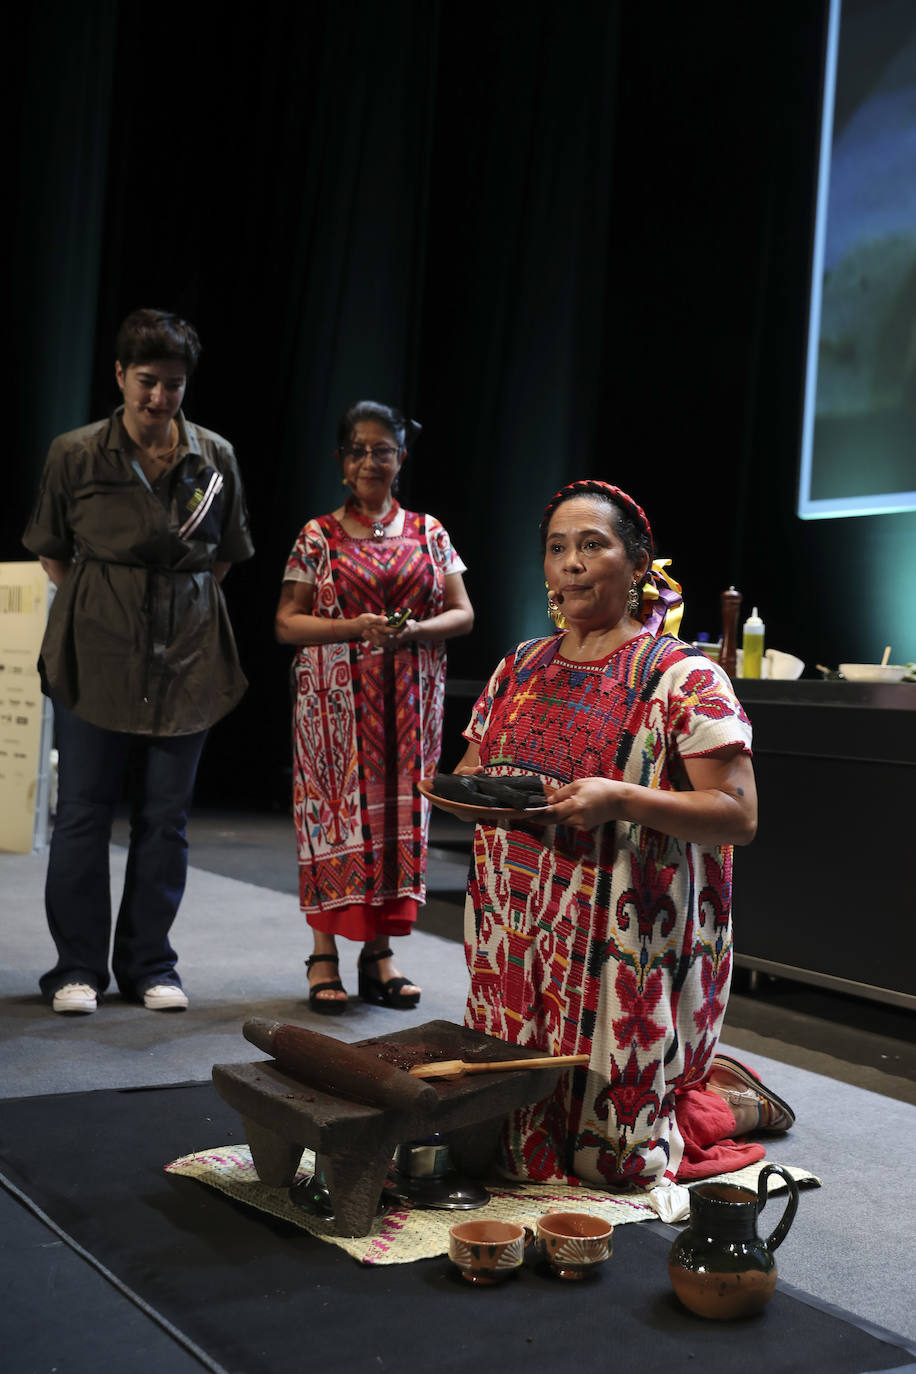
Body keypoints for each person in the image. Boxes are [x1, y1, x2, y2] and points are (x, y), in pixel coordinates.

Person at [454, 479, 794, 1189]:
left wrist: (625, 800)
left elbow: (740, 814)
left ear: (638, 565)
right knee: (500, 1143)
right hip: (514, 937)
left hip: (625, 947)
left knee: (611, 1161)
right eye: (556, 548)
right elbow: (469, 773)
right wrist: (470, 800)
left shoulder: (683, 677)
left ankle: (730, 1105)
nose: (570, 563)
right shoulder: (518, 667)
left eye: (591, 545)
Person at [23, 309, 254, 1015]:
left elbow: (221, 560)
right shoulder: (75, 453)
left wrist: (171, 607)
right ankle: (77, 969)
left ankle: (152, 965)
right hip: (96, 653)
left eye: (174, 386)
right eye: (147, 382)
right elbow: (53, 551)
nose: (159, 399)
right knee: (85, 812)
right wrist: (112, 606)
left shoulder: (214, 456)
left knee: (166, 816)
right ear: (120, 376)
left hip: (187, 657)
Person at [275, 401, 473, 1013]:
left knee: (399, 824)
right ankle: (324, 955)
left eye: (381, 449)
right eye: (357, 450)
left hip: (410, 705)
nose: (369, 461)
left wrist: (414, 632)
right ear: (341, 463)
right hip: (335, 713)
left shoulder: (428, 532)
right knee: (332, 819)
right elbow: (286, 623)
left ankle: (380, 955)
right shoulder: (318, 535)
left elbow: (463, 612)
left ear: (400, 458)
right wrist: (353, 627)